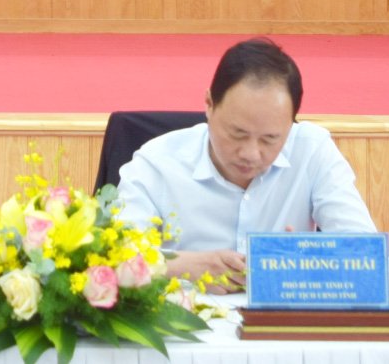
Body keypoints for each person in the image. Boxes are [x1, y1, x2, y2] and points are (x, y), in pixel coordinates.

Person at [116, 37, 375, 291]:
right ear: (209, 104)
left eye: (270, 139)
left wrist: (304, 259)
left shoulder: (312, 150)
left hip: (281, 324)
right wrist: (183, 265)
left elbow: (366, 253)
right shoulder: (157, 162)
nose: (251, 153)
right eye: (237, 134)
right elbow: (114, 260)